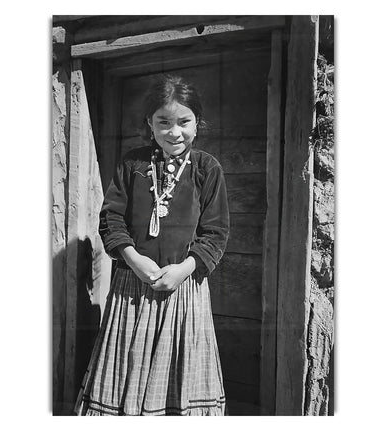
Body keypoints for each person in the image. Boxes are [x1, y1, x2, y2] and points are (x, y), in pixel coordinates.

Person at [74, 75, 230, 416]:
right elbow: (111, 219)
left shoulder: (206, 169)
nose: (174, 132)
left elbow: (216, 234)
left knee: (179, 374)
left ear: (197, 123)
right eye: (164, 122)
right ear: (150, 123)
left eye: (183, 122)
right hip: (132, 287)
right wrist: (134, 261)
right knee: (126, 369)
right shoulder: (133, 164)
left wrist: (183, 270)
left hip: (183, 290)